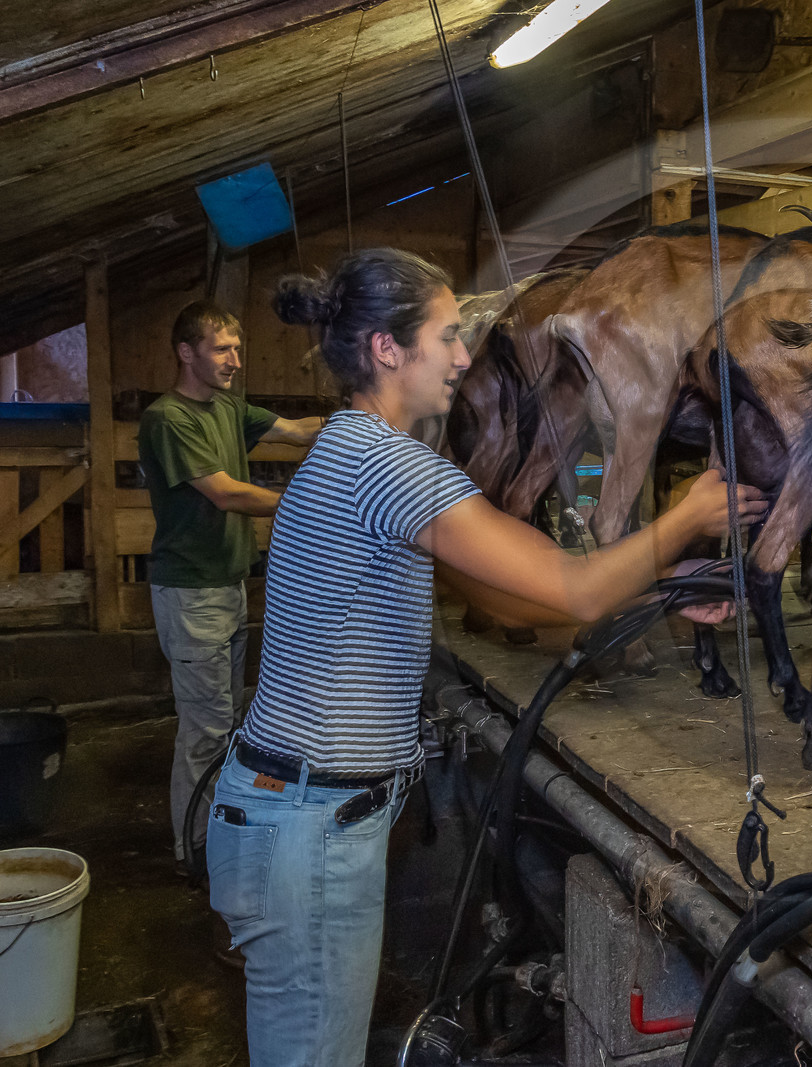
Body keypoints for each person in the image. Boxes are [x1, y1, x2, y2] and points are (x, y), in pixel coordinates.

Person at [205, 248, 766, 1067]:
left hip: (296, 812)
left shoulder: (350, 450)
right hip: (308, 828)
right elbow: (571, 589)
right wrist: (684, 518)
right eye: (447, 335)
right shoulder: (384, 464)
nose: (466, 356)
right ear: (387, 350)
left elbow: (502, 598)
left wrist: (660, 594)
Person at [137, 301, 323, 869]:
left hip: (227, 585)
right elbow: (226, 493)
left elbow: (295, 431)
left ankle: (222, 836)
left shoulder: (227, 407)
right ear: (186, 352)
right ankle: (195, 848)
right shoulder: (170, 418)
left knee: (229, 718)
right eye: (223, 349)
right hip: (191, 592)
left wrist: (361, 420)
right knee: (206, 729)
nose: (236, 360)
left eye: (238, 348)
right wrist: (313, 501)